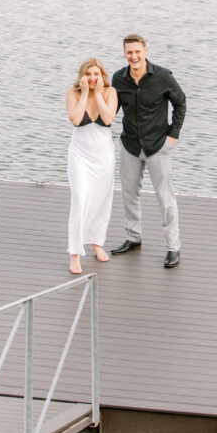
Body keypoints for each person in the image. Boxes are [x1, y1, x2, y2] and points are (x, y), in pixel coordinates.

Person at [110, 34, 186, 268]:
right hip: (130, 145)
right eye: (129, 52)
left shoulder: (163, 76)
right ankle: (133, 238)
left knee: (165, 198)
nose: (133, 56)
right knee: (129, 193)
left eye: (137, 52)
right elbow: (111, 110)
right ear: (125, 53)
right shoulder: (118, 79)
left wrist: (172, 135)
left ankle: (173, 247)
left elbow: (180, 103)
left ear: (145, 51)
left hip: (157, 146)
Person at [66, 58, 118, 275]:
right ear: (82, 76)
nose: (92, 78)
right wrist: (86, 94)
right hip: (80, 154)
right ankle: (75, 252)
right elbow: (76, 120)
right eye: (88, 74)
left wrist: (97, 93)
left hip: (103, 155)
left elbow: (109, 117)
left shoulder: (110, 92)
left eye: (96, 74)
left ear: (102, 75)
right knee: (80, 199)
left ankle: (97, 242)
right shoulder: (73, 93)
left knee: (100, 201)